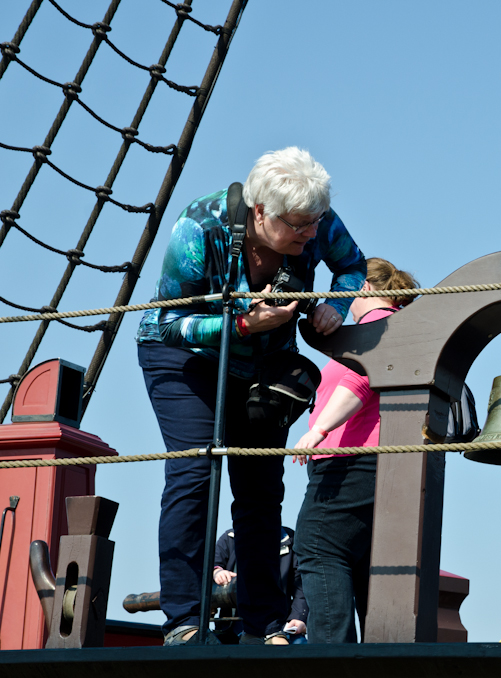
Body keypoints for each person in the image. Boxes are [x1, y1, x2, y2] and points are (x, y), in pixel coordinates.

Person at [136, 147, 366, 645]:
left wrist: (336, 305)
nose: (310, 234)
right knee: (195, 472)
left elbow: (352, 266)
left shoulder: (317, 220)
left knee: (261, 490)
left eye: (315, 222)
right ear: (261, 211)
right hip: (185, 357)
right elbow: (170, 322)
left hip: (262, 363)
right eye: (299, 225)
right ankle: (183, 620)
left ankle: (264, 623)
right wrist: (241, 322)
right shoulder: (198, 228)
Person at [293, 258, 417, 644]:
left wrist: (319, 429)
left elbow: (362, 378)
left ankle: (333, 663)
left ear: (361, 287)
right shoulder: (402, 326)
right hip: (379, 462)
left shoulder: (378, 326)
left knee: (316, 546)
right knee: (364, 566)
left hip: (351, 461)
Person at [212, 526, 308, 643]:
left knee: (299, 646)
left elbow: (301, 586)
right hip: (234, 625)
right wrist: (217, 571)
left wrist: (298, 618)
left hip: (281, 625)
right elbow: (212, 564)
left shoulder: (291, 540)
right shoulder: (229, 538)